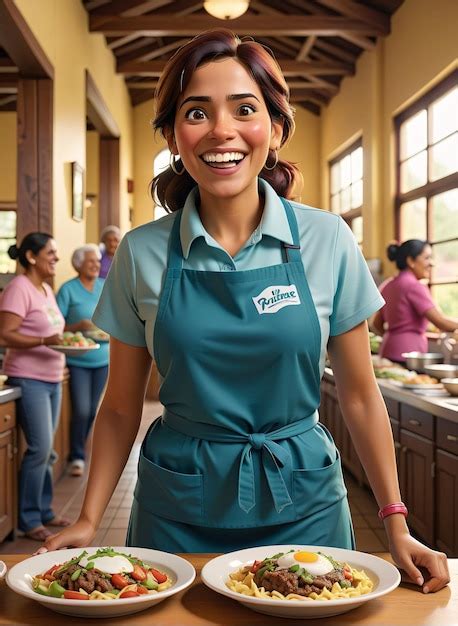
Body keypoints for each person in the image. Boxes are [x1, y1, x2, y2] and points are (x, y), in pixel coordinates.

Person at [42, 29, 449, 593]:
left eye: (245, 108)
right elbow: (118, 408)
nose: (222, 131)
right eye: (197, 112)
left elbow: (359, 393)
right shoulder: (141, 251)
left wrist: (395, 523)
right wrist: (88, 519)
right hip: (177, 506)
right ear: (173, 136)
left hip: (304, 502)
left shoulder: (327, 239)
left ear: (276, 129)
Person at [0, 233, 70, 541]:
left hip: (52, 377)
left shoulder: (44, 289)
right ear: (31, 256)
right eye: (51, 252)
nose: (56, 257)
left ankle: (44, 510)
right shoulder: (19, 288)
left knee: (47, 451)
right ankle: (29, 519)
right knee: (40, 449)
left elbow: (55, 333)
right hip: (28, 379)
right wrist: (44, 340)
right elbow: (4, 334)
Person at [56, 244, 109, 477]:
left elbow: (114, 316)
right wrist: (78, 326)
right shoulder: (68, 290)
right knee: (81, 409)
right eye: (90, 262)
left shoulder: (104, 286)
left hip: (103, 359)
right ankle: (77, 455)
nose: (96, 265)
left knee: (91, 411)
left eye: (98, 262)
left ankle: (80, 450)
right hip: (77, 360)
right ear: (78, 264)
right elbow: (56, 327)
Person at [372, 240, 458, 364]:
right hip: (409, 354)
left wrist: (395, 337)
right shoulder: (414, 286)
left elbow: (376, 323)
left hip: (388, 350)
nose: (431, 264)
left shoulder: (387, 285)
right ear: (411, 261)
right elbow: (441, 322)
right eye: (427, 258)